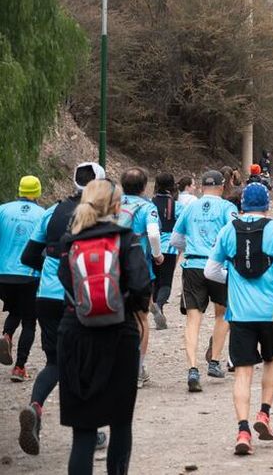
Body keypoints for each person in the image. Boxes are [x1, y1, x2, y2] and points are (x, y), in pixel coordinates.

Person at [57, 179, 151, 475]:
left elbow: (65, 281)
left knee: (83, 430)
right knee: (121, 423)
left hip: (75, 334)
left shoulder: (69, 242)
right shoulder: (126, 238)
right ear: (116, 206)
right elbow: (141, 286)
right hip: (119, 334)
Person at [204, 182, 273, 456]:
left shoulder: (228, 230)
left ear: (242, 204)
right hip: (272, 311)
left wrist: (231, 278)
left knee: (243, 370)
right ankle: (264, 414)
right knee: (272, 360)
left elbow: (210, 271)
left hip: (240, 312)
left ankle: (243, 430)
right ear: (267, 205)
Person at [17, 163, 106, 456]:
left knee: (55, 362)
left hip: (47, 296)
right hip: (82, 298)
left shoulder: (52, 212)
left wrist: (52, 266)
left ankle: (36, 406)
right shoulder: (102, 215)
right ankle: (90, 431)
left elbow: (29, 255)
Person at [170, 170, 239, 392]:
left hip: (193, 265)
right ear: (221, 187)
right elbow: (235, 235)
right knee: (223, 313)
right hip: (218, 266)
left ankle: (192, 368)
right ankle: (214, 361)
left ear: (201, 187)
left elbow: (175, 239)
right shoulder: (227, 207)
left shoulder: (190, 207)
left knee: (193, 319)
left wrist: (191, 246)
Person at [118, 167, 164, 388]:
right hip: (139, 270)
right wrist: (157, 255)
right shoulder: (148, 207)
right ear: (145, 186)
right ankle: (137, 370)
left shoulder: (111, 203)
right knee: (140, 319)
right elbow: (153, 234)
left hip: (110, 268)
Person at [0, 176, 45, 381]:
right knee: (29, 321)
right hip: (29, 275)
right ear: (38, 192)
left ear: (19, 190)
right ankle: (19, 367)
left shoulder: (2, 210)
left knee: (15, 310)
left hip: (3, 274)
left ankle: (7, 335)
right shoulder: (43, 214)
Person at [150, 172, 182, 330]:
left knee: (155, 280)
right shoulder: (177, 206)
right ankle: (159, 304)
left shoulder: (149, 204)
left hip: (151, 246)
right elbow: (182, 226)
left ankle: (156, 307)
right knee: (166, 281)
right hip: (169, 247)